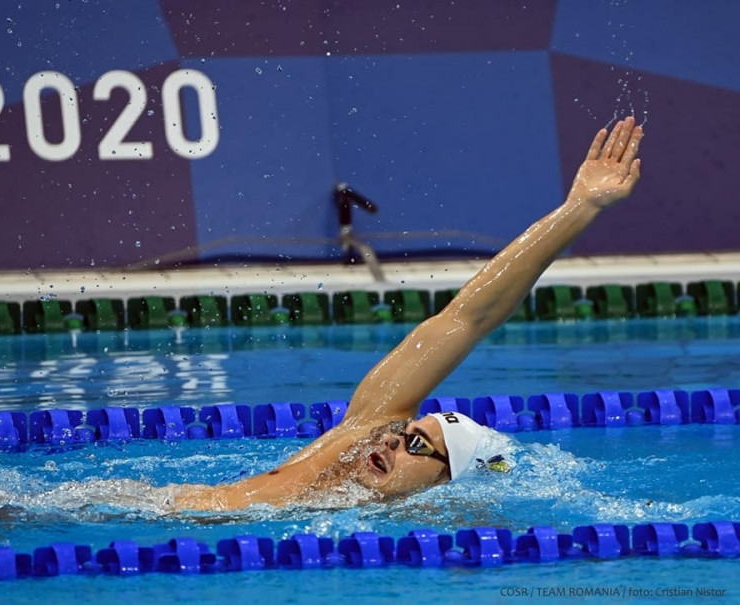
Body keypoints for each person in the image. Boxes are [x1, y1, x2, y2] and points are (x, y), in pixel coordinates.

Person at [173, 116, 644, 511]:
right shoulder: (361, 433)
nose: (392, 442)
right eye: (404, 433)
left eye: (417, 445)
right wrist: (577, 209)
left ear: (445, 481)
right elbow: (468, 317)